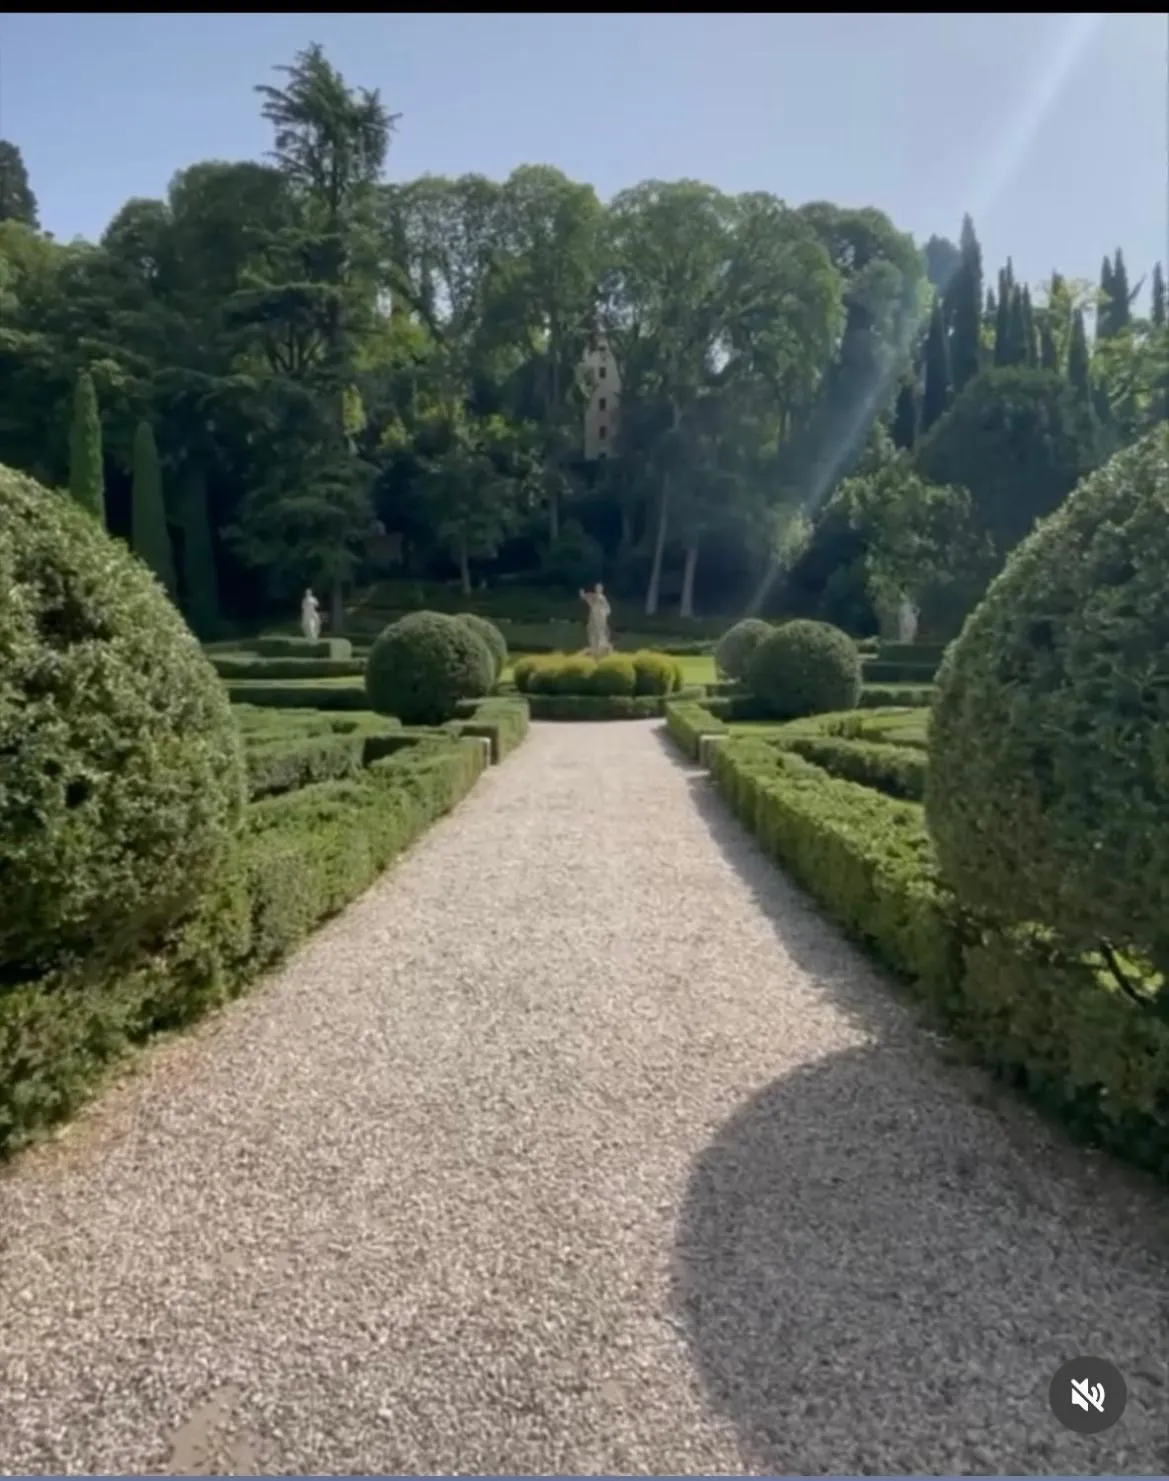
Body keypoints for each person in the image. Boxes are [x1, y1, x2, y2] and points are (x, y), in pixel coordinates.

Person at [580, 582, 612, 658]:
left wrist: (603, 614)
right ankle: (594, 649)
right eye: (597, 588)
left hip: (600, 619)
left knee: (600, 633)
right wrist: (582, 593)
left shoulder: (602, 598)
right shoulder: (593, 597)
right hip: (593, 618)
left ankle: (601, 648)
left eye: (599, 588)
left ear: (601, 589)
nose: (597, 589)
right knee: (592, 631)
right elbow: (585, 597)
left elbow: (608, 609)